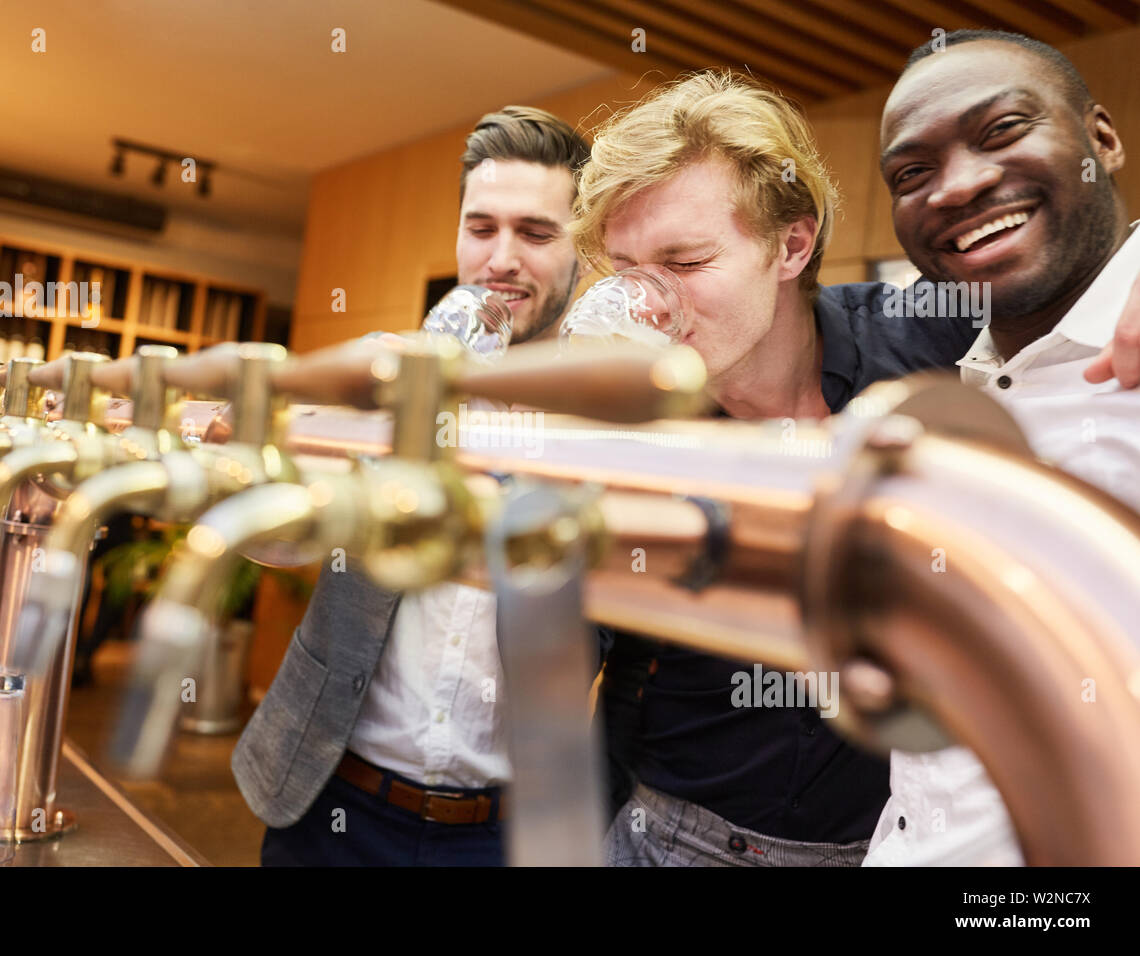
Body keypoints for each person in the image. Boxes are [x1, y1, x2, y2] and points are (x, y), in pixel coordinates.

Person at [569, 64, 1140, 866]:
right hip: (672, 833)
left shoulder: (941, 342)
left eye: (687, 262)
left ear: (792, 243)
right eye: (626, 271)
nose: (648, 302)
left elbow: (1074, 280)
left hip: (882, 844)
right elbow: (554, 657)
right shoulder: (624, 425)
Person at [232, 105, 593, 865]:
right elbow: (271, 541)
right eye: (481, 227)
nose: (501, 258)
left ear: (584, 247)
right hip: (330, 799)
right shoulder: (380, 376)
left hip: (506, 834)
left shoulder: (605, 426)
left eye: (535, 233)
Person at [865, 28, 1140, 866]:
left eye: (1002, 131)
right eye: (914, 173)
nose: (962, 186)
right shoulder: (949, 376)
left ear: (1102, 139)